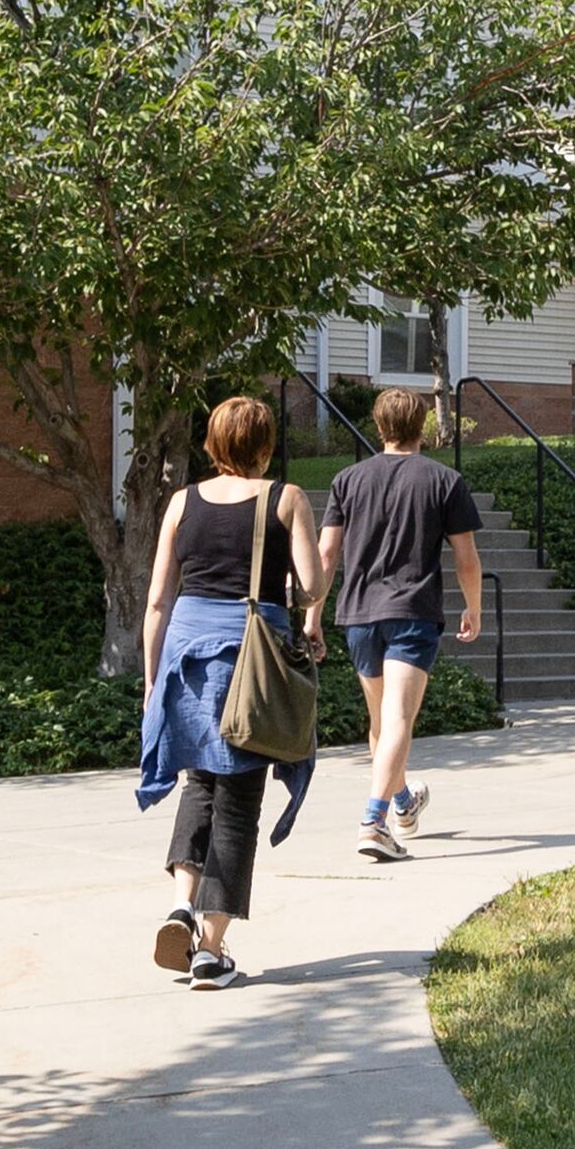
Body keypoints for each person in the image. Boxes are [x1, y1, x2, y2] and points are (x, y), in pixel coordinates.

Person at [133, 395, 321, 990]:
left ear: (212, 443)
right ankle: (211, 951)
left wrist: (150, 681)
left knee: (199, 784)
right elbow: (312, 587)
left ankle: (181, 906)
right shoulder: (284, 498)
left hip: (184, 656)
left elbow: (158, 599)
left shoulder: (180, 502)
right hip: (249, 659)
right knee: (239, 798)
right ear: (265, 445)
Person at [315, 384, 485, 861]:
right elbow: (466, 558)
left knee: (382, 722)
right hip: (412, 612)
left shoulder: (347, 480)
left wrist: (312, 614)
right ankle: (373, 821)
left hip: (359, 615)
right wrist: (474, 607)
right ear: (421, 427)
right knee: (398, 720)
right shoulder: (443, 480)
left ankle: (404, 803)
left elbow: (326, 553)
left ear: (378, 425)